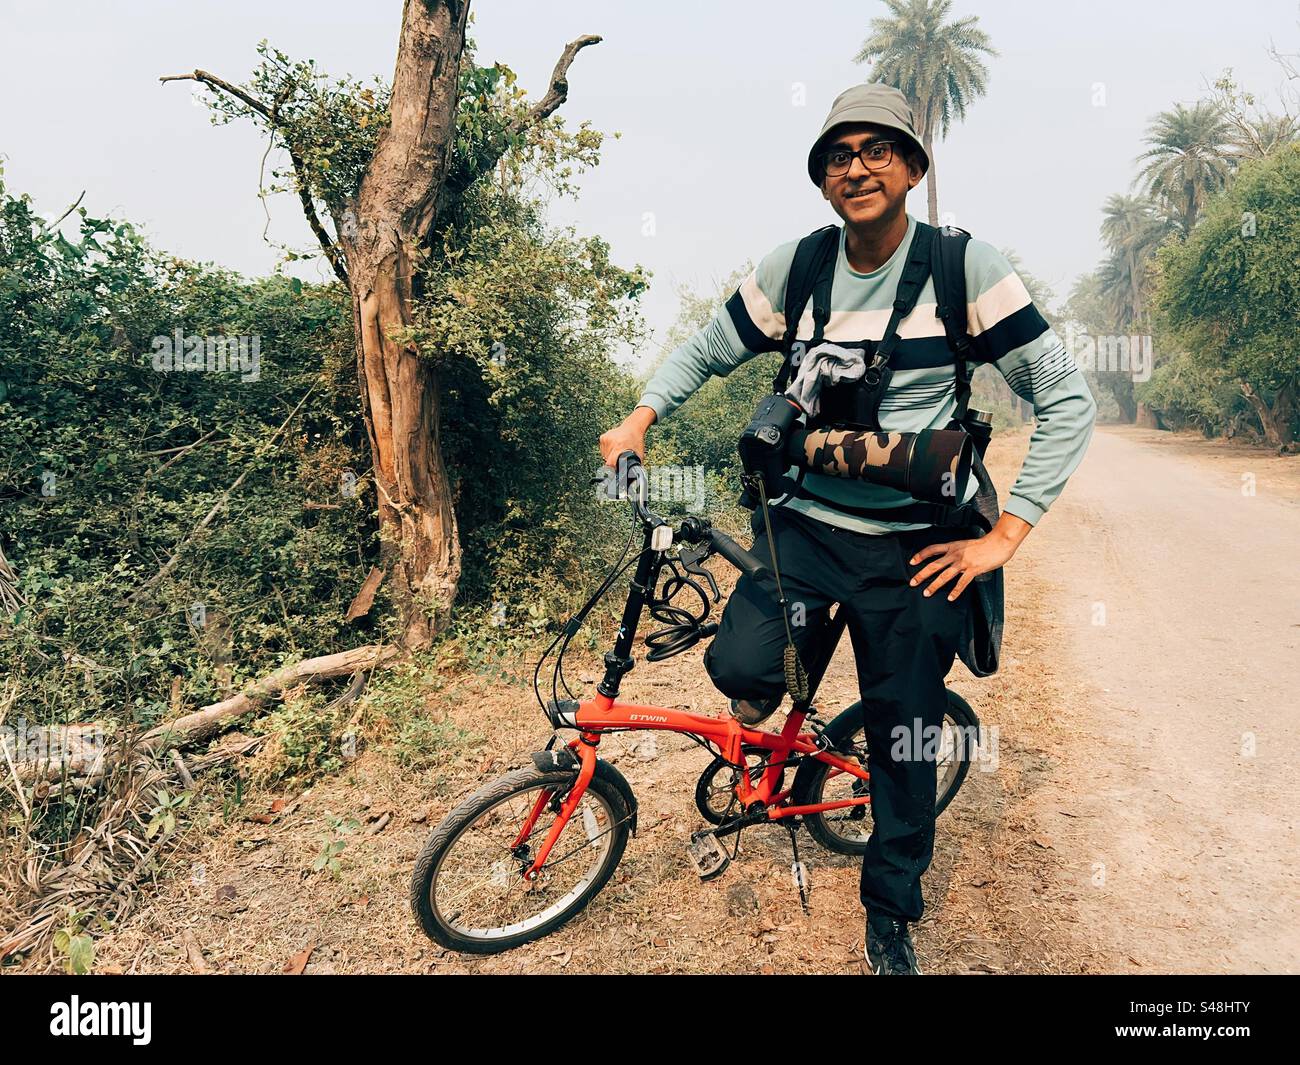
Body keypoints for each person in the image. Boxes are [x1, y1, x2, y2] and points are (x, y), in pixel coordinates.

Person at [598, 84, 1096, 974]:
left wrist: (1002, 536)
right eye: (838, 154)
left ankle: (890, 911)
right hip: (804, 526)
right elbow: (707, 345)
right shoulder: (799, 267)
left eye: (876, 151)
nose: (856, 168)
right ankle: (804, 711)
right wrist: (641, 415)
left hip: (918, 546)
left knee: (905, 741)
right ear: (821, 179)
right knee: (741, 666)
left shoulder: (963, 270)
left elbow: (1066, 397)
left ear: (910, 167)